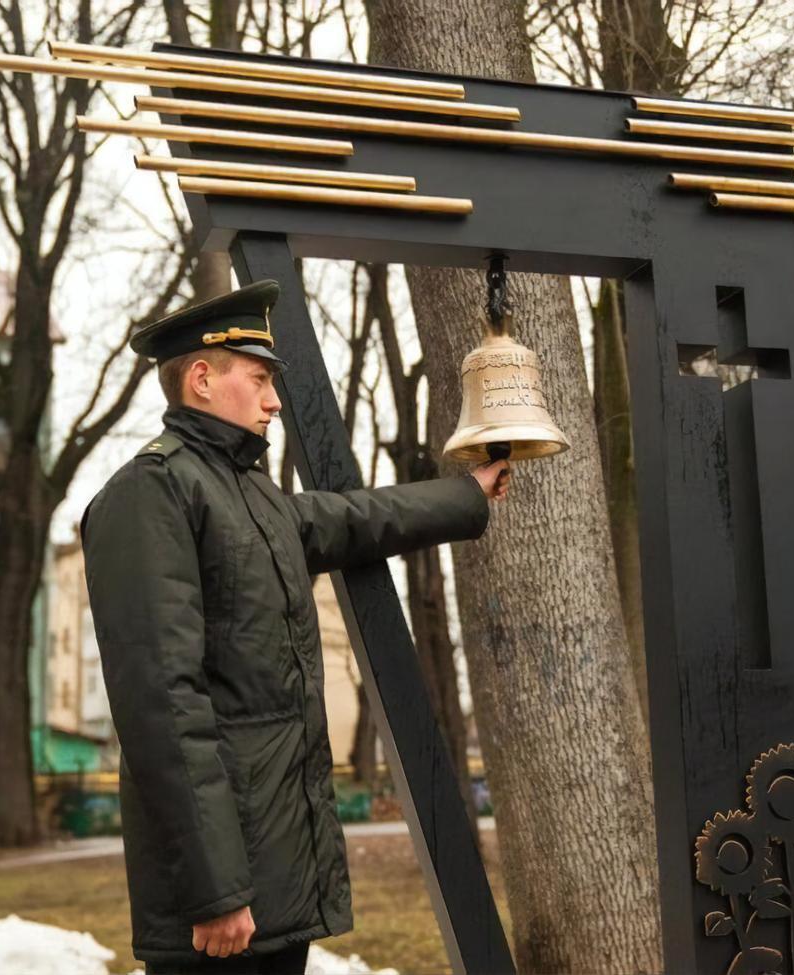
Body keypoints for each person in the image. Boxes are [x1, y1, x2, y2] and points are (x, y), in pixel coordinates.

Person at [80, 279, 511, 974]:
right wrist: (215, 889)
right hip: (219, 899)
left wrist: (467, 493)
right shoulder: (150, 493)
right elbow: (163, 705)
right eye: (259, 378)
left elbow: (357, 517)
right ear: (202, 378)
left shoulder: (255, 497)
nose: (274, 399)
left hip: (274, 881)